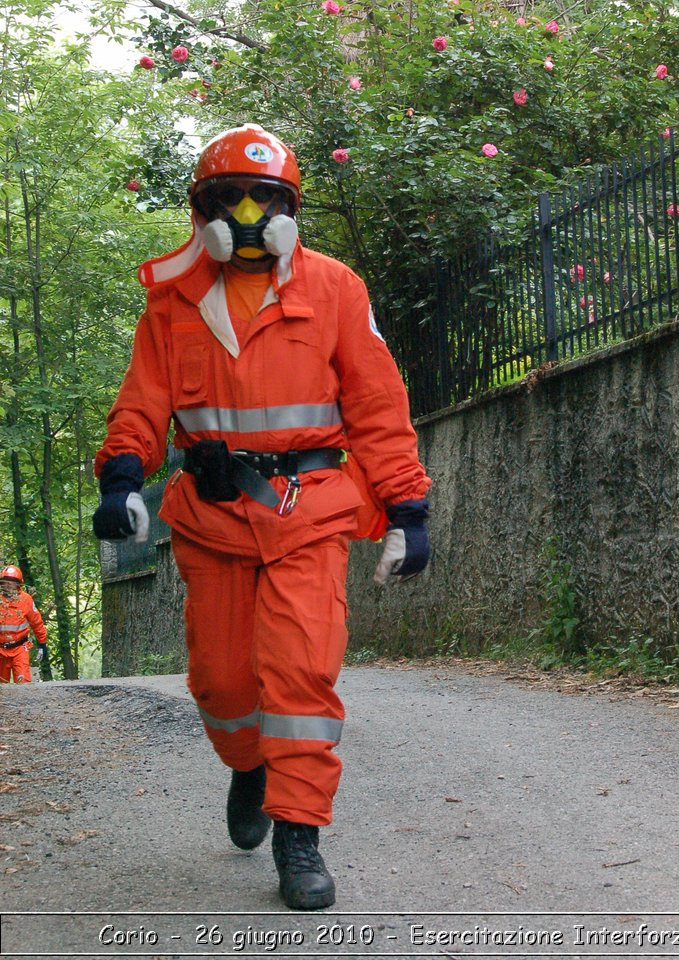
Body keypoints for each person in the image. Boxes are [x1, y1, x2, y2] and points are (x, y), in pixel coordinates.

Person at [92, 125, 431, 911]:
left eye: (263, 199)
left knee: (303, 675)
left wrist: (409, 509)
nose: (246, 214)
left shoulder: (336, 290)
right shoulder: (173, 303)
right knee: (221, 682)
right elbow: (142, 403)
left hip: (308, 515)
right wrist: (120, 479)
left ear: (288, 208)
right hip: (213, 521)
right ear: (203, 211)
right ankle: (250, 763)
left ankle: (299, 834)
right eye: (228, 199)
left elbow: (379, 407)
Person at [0, 564, 48, 684]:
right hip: (1, 649)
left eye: (11, 582)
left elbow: (37, 622)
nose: (8, 585)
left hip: (19, 648)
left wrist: (42, 644)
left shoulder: (25, 600)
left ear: (18, 584)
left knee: (24, 683)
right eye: (5, 582)